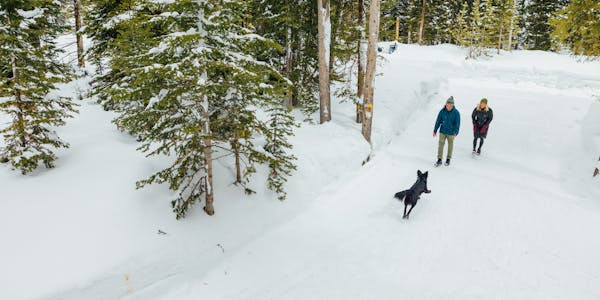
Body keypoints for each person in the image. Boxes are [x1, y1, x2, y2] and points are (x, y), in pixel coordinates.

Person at [433, 96, 460, 166]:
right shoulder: (442, 111)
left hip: (451, 133)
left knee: (450, 145)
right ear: (446, 104)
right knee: (440, 145)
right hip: (443, 131)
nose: (449, 107)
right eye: (448, 105)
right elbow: (438, 121)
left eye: (450, 106)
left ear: (453, 105)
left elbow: (457, 124)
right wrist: (435, 130)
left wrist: (455, 133)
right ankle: (439, 159)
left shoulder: (456, 113)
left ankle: (448, 159)